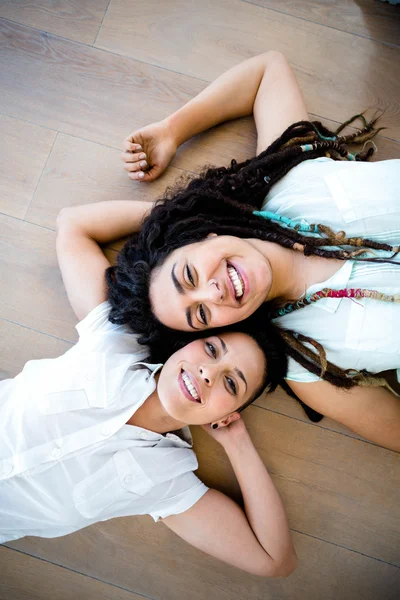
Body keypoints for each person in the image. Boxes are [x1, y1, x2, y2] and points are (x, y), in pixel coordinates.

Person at [114, 51, 400, 451]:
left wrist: (171, 131)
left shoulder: (291, 181)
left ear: (204, 235)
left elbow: (268, 70)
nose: (212, 293)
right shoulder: (309, 368)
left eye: (189, 276)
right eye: (200, 315)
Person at [0, 205, 297, 578]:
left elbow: (274, 560)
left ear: (227, 413)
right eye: (210, 348)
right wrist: (205, 226)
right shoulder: (113, 339)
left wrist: (237, 444)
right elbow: (72, 224)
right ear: (187, 341)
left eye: (231, 384)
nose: (208, 373)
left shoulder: (166, 481)